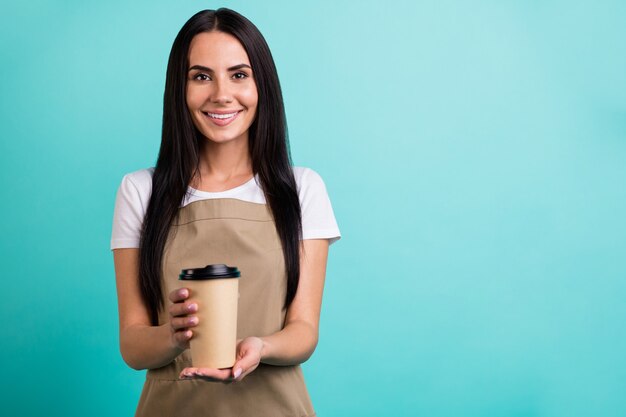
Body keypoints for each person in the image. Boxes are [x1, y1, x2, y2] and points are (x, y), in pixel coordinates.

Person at [110, 8, 340, 417]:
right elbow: (132, 343)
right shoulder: (140, 191)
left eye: (239, 74)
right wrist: (175, 335)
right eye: (201, 76)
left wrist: (262, 347)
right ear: (179, 89)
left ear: (261, 85)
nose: (220, 94)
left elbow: (304, 331)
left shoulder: (301, 189)